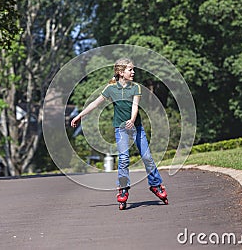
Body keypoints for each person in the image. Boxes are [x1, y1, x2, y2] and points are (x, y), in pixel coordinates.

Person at [70, 58, 168, 210]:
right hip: (120, 129)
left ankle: (155, 184)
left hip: (136, 128)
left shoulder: (135, 87)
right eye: (130, 70)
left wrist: (132, 119)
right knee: (123, 158)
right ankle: (123, 188)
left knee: (147, 157)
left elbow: (135, 106)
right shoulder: (110, 89)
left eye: (133, 69)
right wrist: (79, 116)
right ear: (121, 73)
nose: (133, 72)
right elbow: (95, 104)